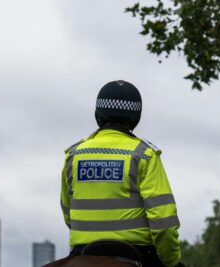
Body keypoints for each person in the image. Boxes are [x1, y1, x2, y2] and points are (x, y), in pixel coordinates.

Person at [60, 80, 183, 267]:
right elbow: (163, 221)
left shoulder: (74, 155)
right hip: (140, 253)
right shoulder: (144, 155)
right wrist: (172, 261)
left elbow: (68, 212)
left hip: (81, 250)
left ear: (97, 115)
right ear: (136, 118)